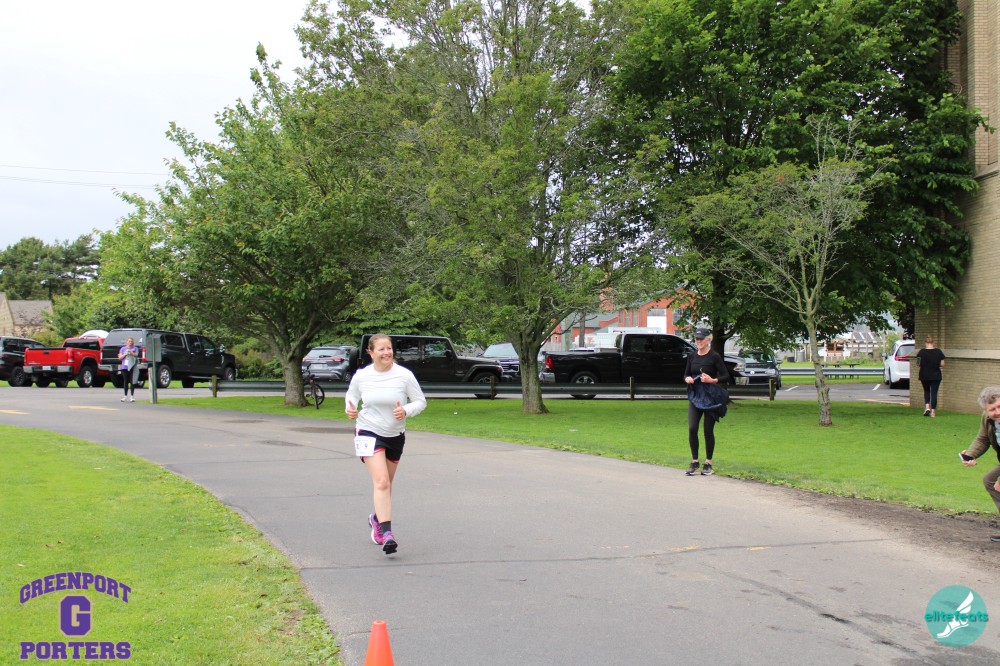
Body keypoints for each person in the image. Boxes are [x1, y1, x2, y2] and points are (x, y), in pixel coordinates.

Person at [345, 334, 427, 555]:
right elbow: (351, 396)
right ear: (370, 352)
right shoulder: (362, 376)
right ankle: (387, 534)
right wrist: (350, 408)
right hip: (367, 431)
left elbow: (420, 401)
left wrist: (406, 410)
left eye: (389, 348)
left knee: (386, 485)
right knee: (381, 482)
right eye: (381, 349)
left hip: (394, 435)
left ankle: (376, 518)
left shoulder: (404, 375)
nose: (386, 353)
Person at [683, 328, 730, 476]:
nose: (698, 341)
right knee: (692, 428)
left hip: (710, 398)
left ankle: (708, 463)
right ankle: (695, 462)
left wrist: (712, 380)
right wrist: (687, 379)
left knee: (707, 431)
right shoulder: (692, 356)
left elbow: (726, 376)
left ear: (708, 340)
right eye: (697, 338)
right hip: (696, 396)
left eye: (701, 339)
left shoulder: (714, 356)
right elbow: (686, 374)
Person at [958, 386, 1000, 543]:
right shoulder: (987, 419)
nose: (997, 412)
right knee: (990, 480)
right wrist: (970, 455)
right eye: (992, 409)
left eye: (999, 407)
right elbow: (983, 439)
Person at [915, 335, 946, 417]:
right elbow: (942, 364)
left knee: (926, 391)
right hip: (936, 375)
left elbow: (918, 364)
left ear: (926, 343)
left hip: (924, 375)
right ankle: (933, 412)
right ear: (933, 343)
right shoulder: (938, 352)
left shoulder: (921, 352)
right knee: (934, 393)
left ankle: (927, 407)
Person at [117, 337, 139, 403]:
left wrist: (131, 352)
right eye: (129, 341)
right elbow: (120, 357)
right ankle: (125, 396)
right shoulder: (123, 349)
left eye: (131, 341)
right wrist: (125, 353)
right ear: (126, 342)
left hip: (132, 366)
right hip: (125, 367)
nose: (130, 342)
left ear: (133, 342)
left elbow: (136, 355)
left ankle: (132, 396)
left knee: (132, 381)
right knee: (125, 381)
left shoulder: (135, 348)